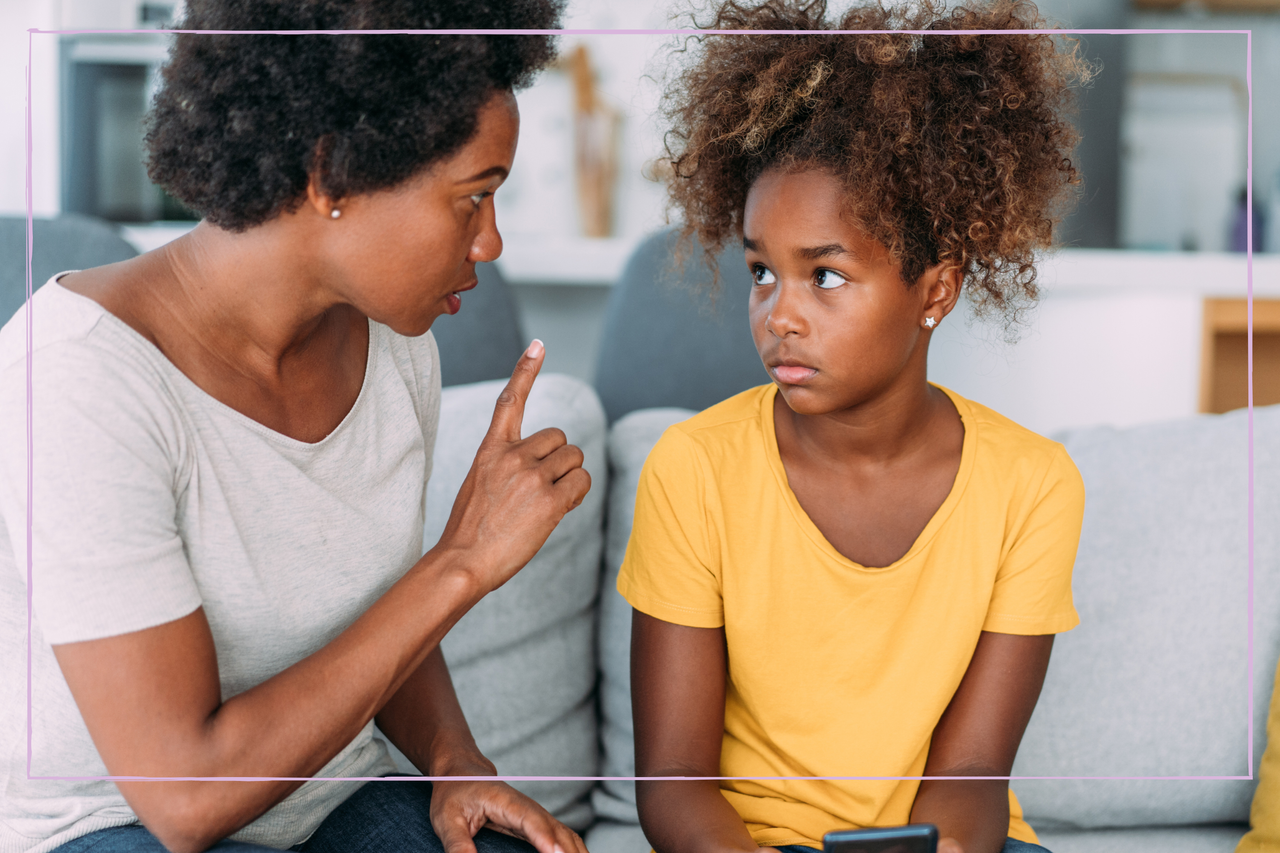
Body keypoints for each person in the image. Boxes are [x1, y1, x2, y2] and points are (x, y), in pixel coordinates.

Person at [0, 2, 595, 852]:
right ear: (332, 176)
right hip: (112, 826)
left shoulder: (394, 346)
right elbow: (186, 798)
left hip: (326, 804)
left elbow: (368, 615)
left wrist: (456, 761)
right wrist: (462, 560)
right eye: (472, 199)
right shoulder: (77, 377)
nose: (491, 242)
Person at [619, 2, 1093, 853]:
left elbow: (974, 771)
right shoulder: (694, 470)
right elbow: (675, 787)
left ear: (935, 292)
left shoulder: (1032, 485)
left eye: (826, 277)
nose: (779, 317)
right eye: (763, 271)